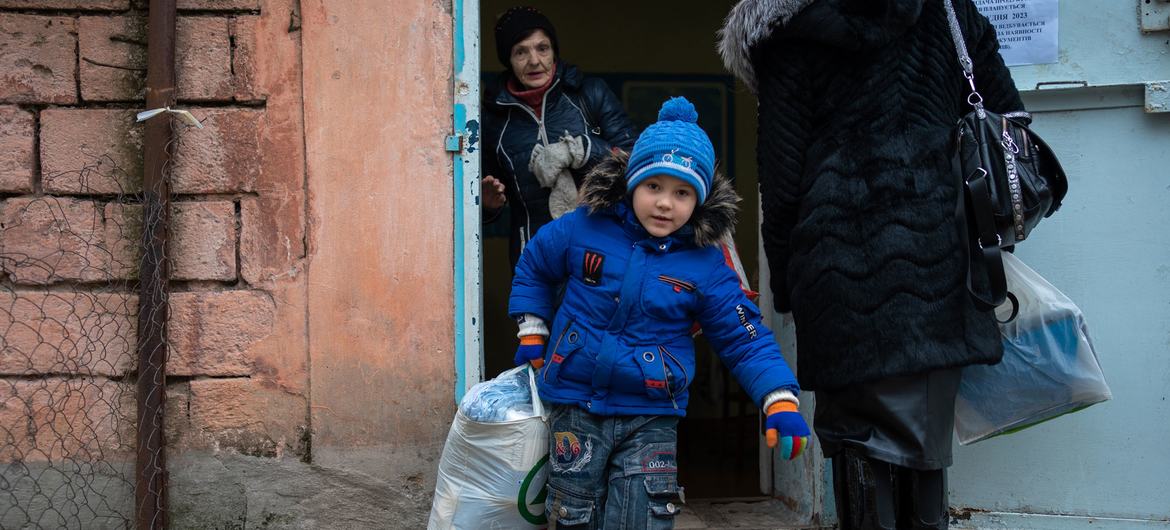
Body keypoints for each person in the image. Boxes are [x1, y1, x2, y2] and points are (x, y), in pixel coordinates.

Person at [718, 0, 1024, 528]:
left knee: (856, 436)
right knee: (926, 439)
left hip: (839, 262)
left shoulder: (788, 28)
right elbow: (1006, 115)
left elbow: (782, 177)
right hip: (938, 252)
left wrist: (788, 283)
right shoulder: (947, 10)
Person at [508, 97, 809, 529]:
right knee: (573, 514)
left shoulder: (706, 264)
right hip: (576, 402)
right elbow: (535, 263)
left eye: (682, 192)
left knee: (642, 518)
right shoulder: (584, 226)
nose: (665, 203)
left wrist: (778, 398)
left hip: (651, 412)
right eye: (654, 187)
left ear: (699, 200)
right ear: (632, 183)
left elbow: (745, 336)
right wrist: (532, 327)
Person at [482, 6, 637, 267]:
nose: (534, 60)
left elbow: (636, 160)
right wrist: (487, 205)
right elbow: (482, 204)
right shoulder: (493, 120)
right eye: (521, 52)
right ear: (507, 59)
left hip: (603, 251)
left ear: (554, 51)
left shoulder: (591, 94)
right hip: (535, 259)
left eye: (542, 48)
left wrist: (584, 150)